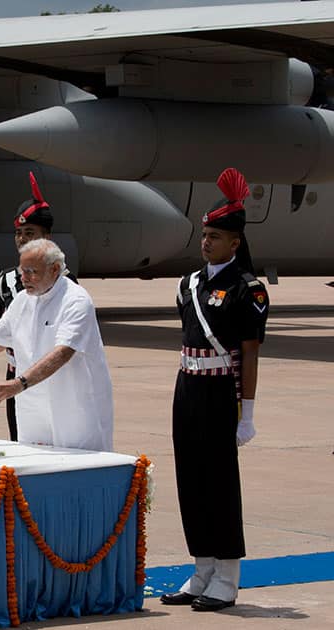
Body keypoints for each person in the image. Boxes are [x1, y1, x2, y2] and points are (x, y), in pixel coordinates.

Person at [160, 167, 269, 612]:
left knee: (220, 484)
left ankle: (227, 575)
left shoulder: (248, 290)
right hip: (187, 389)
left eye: (215, 236)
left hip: (221, 393)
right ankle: (201, 567)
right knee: (191, 479)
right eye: (204, 234)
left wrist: (247, 413)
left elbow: (250, 353)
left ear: (235, 243)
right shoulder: (188, 285)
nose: (206, 242)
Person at [0, 239, 113, 451]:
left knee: (77, 475)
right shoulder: (22, 301)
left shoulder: (76, 300)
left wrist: (18, 384)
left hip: (73, 411)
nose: (24, 278)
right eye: (23, 271)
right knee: (34, 473)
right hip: (33, 411)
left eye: (32, 272)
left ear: (55, 269)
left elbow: (62, 353)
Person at [0, 172, 79, 441]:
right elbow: (2, 332)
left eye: (30, 233)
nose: (22, 238)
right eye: (18, 233)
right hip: (15, 370)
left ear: (47, 236)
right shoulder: (7, 279)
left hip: (46, 376)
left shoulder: (64, 281)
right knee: (18, 441)